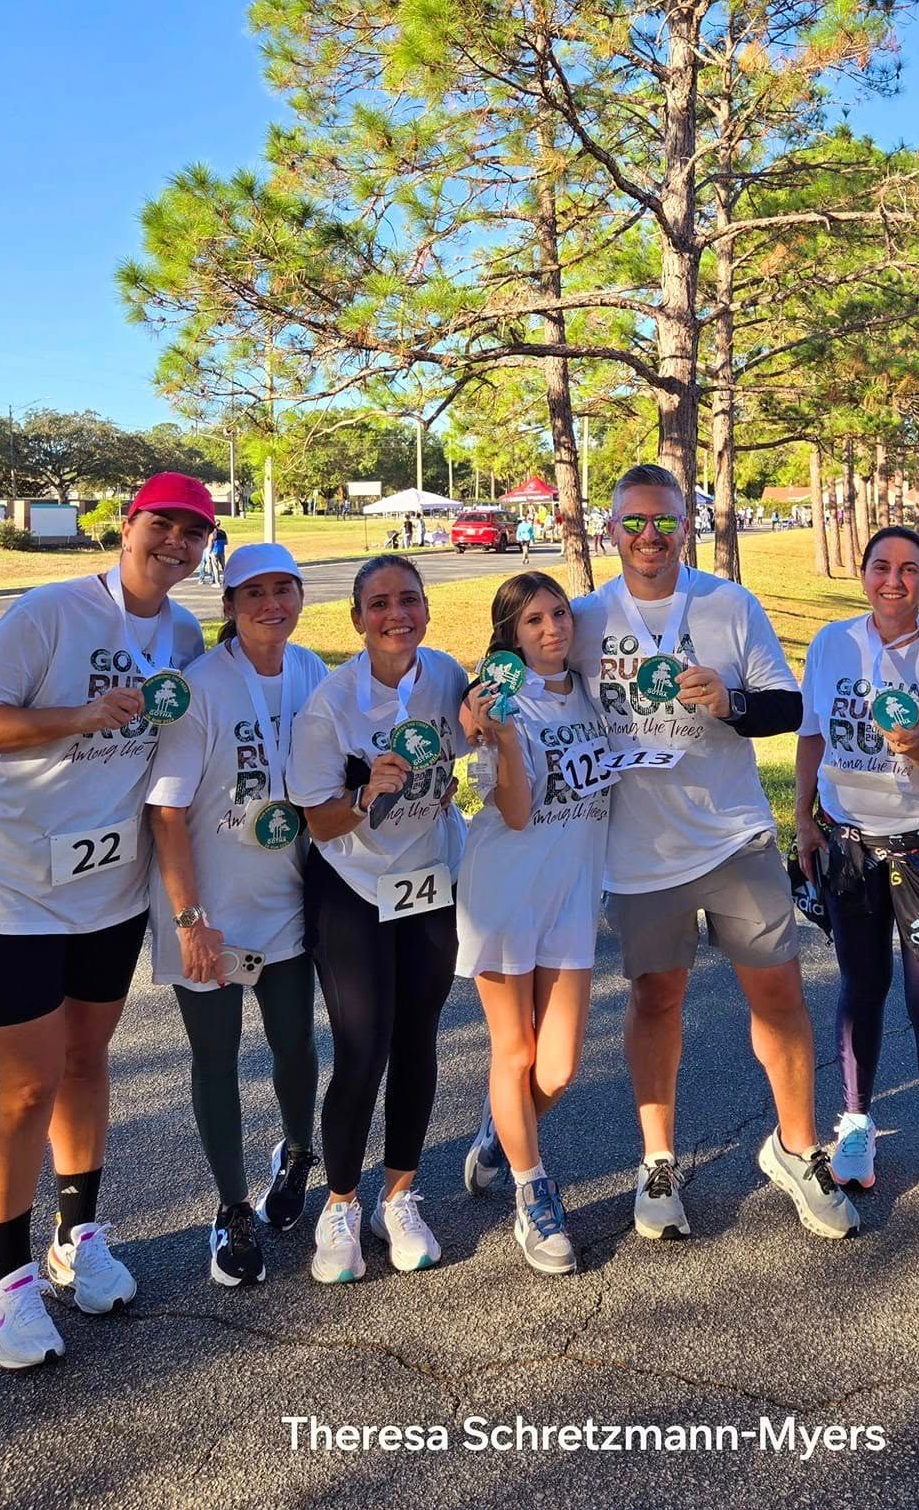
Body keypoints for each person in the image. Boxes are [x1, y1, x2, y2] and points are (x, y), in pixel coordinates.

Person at [0, 471, 213, 1369]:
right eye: (163, 527)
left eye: (194, 534)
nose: (176, 545)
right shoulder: (50, 611)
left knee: (85, 1059)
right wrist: (78, 716)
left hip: (107, 889)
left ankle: (78, 1236)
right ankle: (5, 1285)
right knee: (25, 1085)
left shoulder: (182, 631)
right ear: (129, 525)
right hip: (13, 887)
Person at [567, 463, 856, 1242]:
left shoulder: (728, 604)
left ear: (685, 527)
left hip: (732, 837)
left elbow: (790, 705)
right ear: (610, 530)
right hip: (638, 849)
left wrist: (730, 703)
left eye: (664, 520)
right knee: (656, 1000)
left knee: (781, 998)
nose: (649, 536)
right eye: (633, 522)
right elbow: (529, 686)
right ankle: (657, 1160)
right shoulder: (586, 617)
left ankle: (797, 1149)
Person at [794, 527, 919, 1233]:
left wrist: (917, 746)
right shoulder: (831, 644)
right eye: (881, 566)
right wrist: (803, 818)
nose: (893, 581)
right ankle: (856, 1126)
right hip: (848, 842)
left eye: (909, 569)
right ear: (863, 572)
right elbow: (813, 733)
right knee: (861, 987)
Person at [145, 546, 329, 1287]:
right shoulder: (200, 687)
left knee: (294, 1044)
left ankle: (295, 1155)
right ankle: (229, 1208)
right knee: (215, 1059)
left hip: (287, 898)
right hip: (210, 912)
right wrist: (191, 920)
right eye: (254, 592)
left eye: (285, 588)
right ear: (228, 606)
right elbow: (166, 812)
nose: (271, 604)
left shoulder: (313, 669)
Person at [285, 556, 468, 1281]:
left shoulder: (447, 675)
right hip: (353, 889)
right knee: (363, 1049)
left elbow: (472, 739)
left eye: (410, 601)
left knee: (419, 1040)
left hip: (428, 884)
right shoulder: (330, 705)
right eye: (381, 604)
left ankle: (400, 1195)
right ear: (358, 618)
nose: (398, 615)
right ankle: (340, 1205)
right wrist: (365, 798)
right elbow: (320, 822)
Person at [458, 574, 611, 1275]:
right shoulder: (497, 702)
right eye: (533, 622)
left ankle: (500, 1133)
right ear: (510, 636)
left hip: (572, 892)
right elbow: (516, 813)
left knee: (561, 1065)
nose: (552, 629)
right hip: (506, 890)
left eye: (558, 614)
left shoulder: (588, 690)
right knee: (514, 1052)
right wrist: (507, 741)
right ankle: (532, 1192)